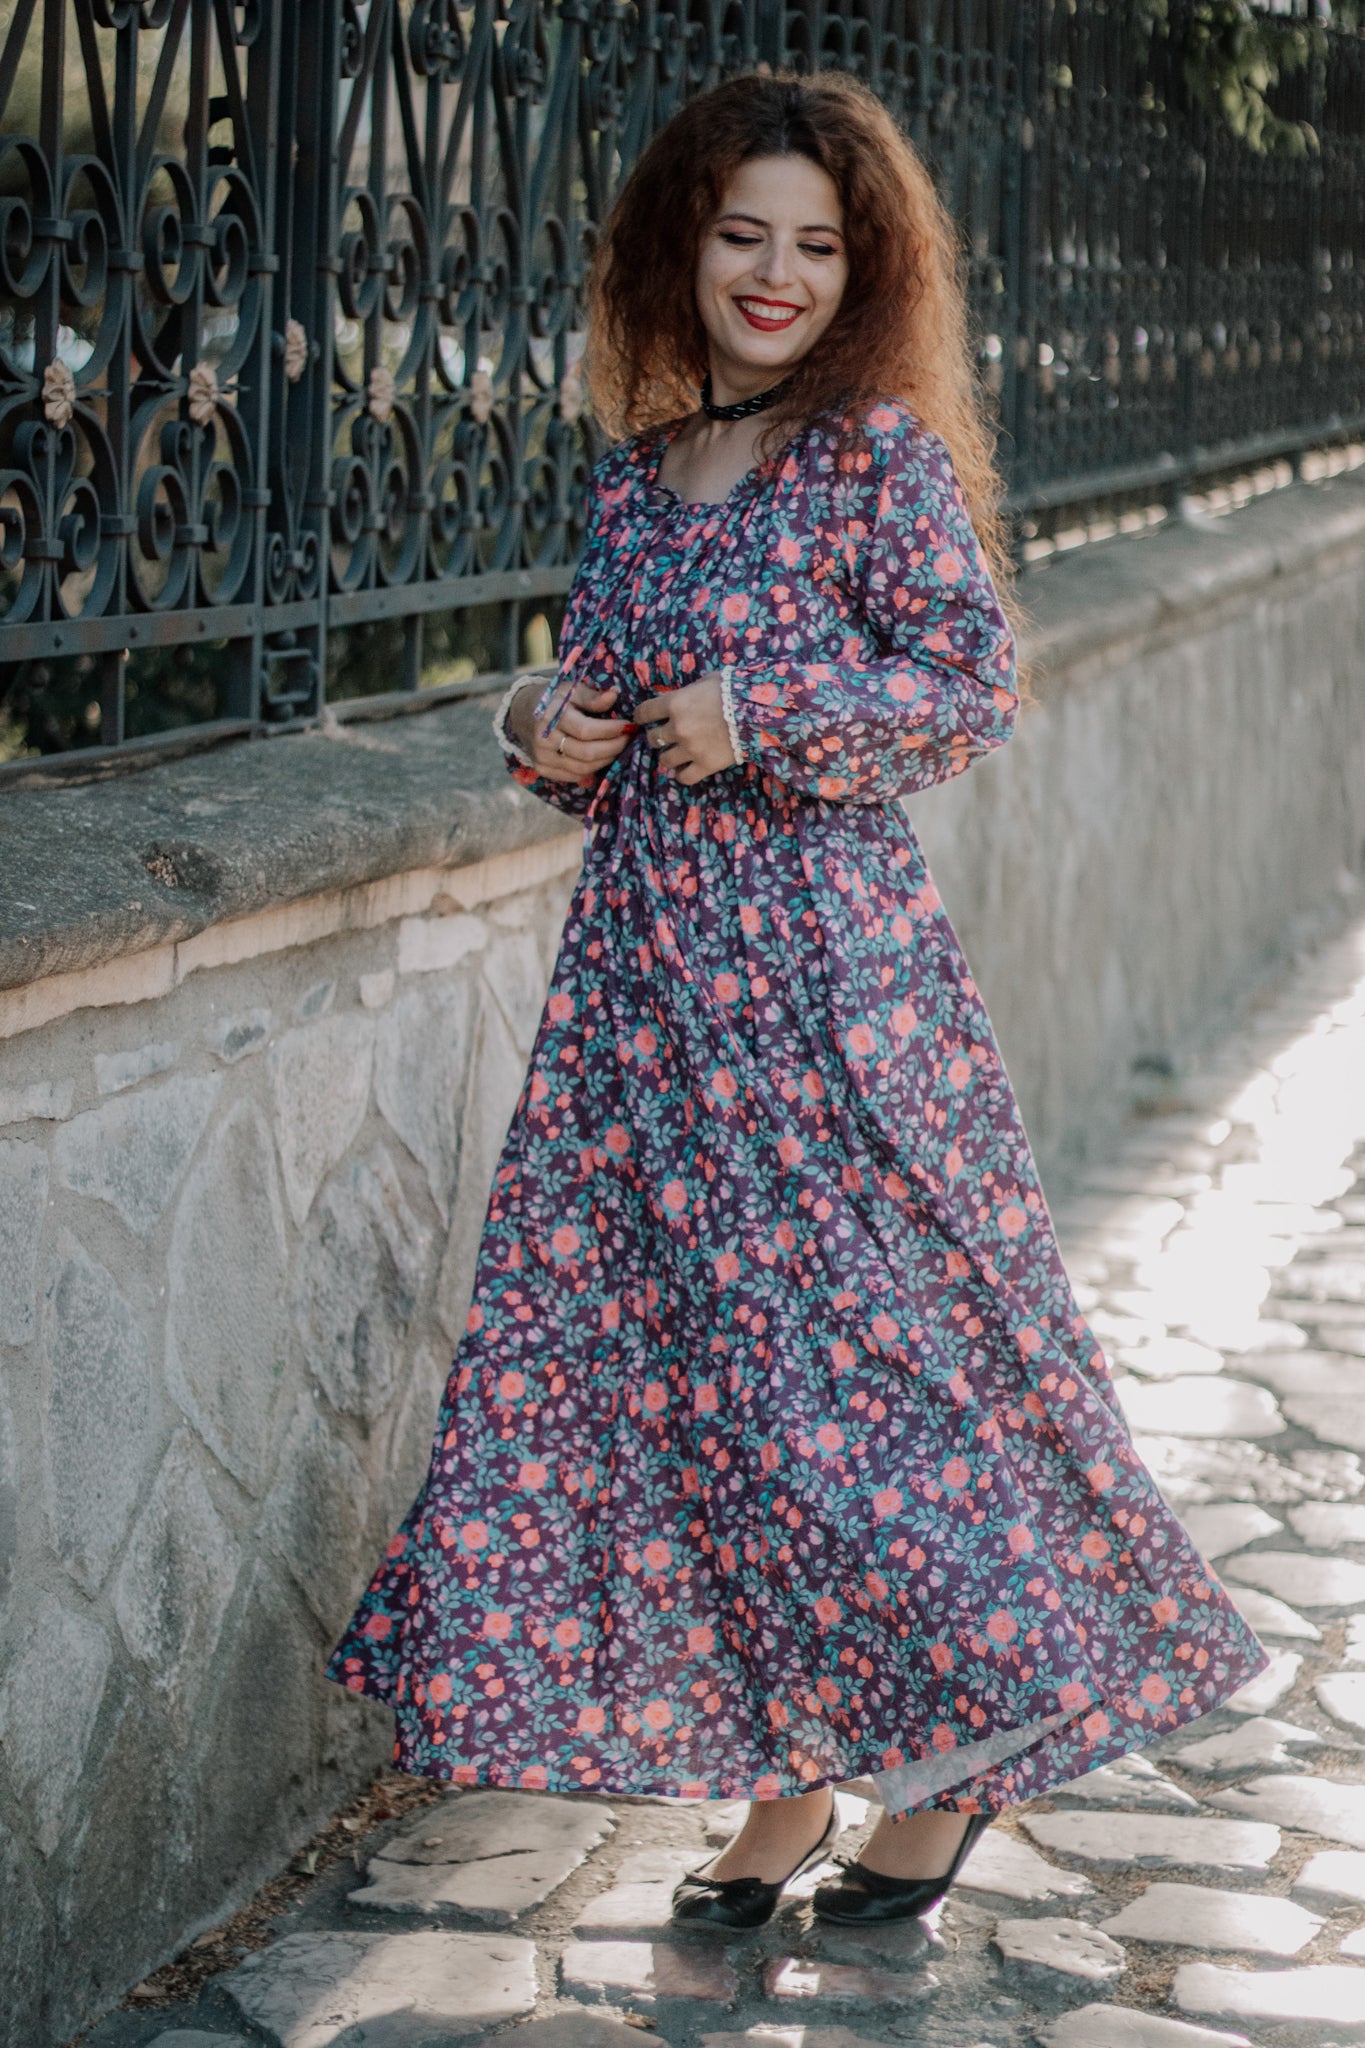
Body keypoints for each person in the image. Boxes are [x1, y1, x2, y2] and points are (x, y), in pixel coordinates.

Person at [326, 70, 1267, 1933]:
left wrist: (763, 721)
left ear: (867, 270)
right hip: (643, 1026)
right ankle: (787, 1795)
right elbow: (588, 720)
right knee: (721, 1422)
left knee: (880, 1412)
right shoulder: (640, 476)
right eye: (742, 233)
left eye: (816, 245)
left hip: (831, 1016)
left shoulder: (874, 464)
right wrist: (544, 720)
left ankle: (937, 1781)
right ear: (681, 244)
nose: (775, 273)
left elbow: (970, 686)